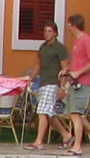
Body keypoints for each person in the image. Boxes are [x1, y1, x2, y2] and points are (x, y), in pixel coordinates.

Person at [60, 13, 90, 154]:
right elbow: (78, 62)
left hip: (82, 82)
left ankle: (77, 146)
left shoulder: (86, 40)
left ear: (74, 25)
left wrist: (78, 73)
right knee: (73, 113)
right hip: (74, 82)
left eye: (69, 26)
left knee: (75, 113)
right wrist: (68, 69)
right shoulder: (77, 42)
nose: (69, 29)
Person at [24, 21, 69, 150]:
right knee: (48, 112)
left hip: (53, 83)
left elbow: (65, 68)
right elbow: (38, 64)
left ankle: (39, 141)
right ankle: (65, 134)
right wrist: (30, 78)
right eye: (45, 31)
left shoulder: (59, 48)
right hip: (43, 82)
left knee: (42, 110)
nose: (47, 34)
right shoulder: (43, 47)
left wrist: (62, 86)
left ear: (55, 33)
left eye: (49, 31)